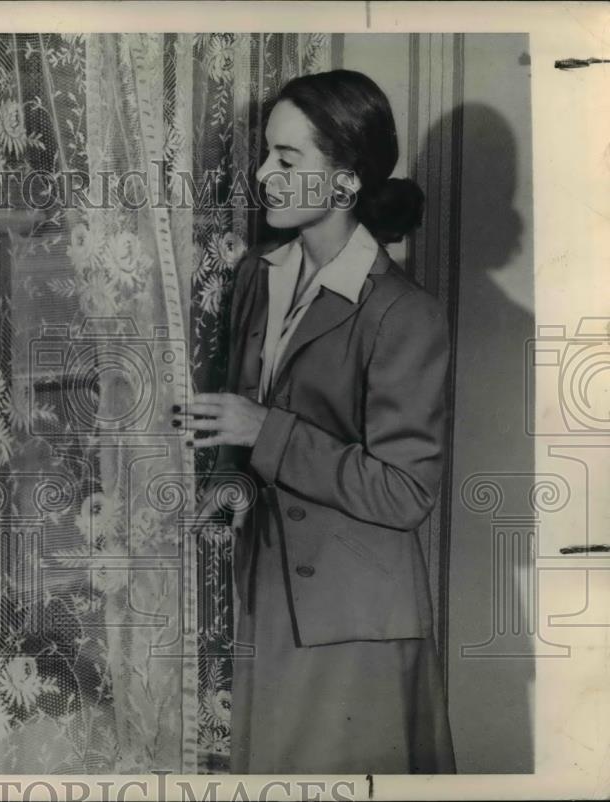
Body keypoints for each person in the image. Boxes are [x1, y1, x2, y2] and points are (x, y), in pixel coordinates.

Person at [177, 69, 457, 774]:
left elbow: (404, 492)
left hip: (352, 620)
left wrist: (261, 430)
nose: (263, 175)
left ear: (344, 182)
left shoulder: (404, 314)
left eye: (287, 160)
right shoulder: (257, 278)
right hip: (265, 598)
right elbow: (248, 451)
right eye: (265, 154)